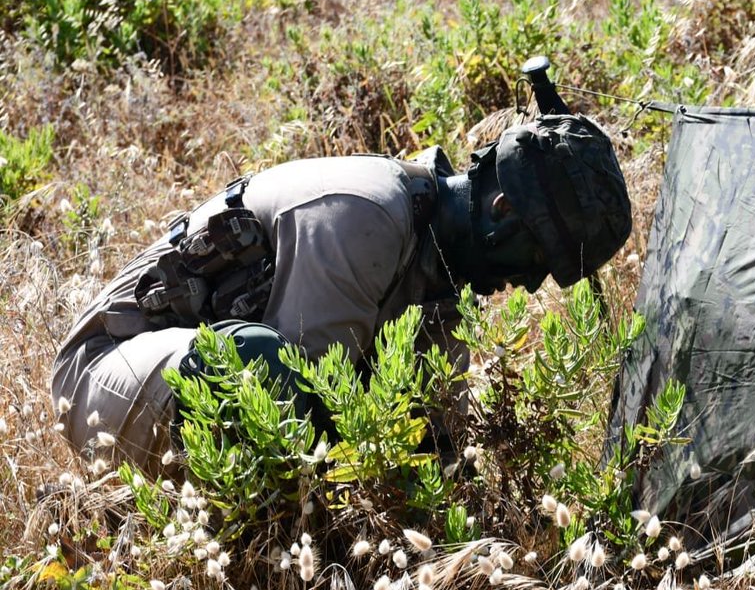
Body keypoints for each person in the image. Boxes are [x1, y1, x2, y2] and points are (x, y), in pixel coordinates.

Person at [51, 113, 632, 474]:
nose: (530, 284)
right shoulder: (369, 213)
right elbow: (310, 406)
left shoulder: (443, 279)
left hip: (174, 386)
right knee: (267, 373)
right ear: (502, 211)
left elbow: (435, 445)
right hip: (104, 377)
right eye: (537, 259)